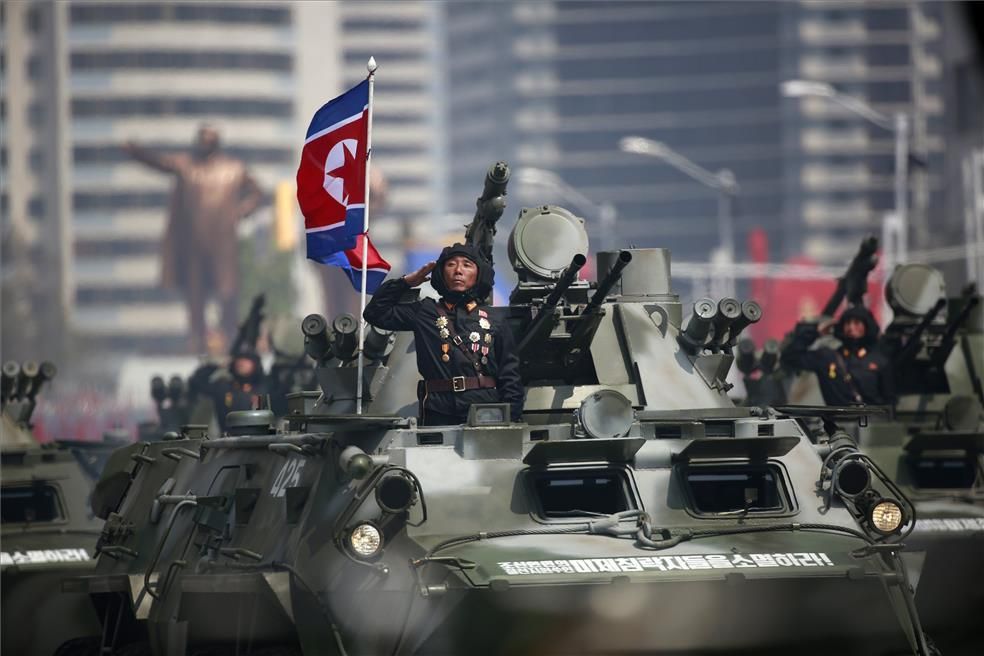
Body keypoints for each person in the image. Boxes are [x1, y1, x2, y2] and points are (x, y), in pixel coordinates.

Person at [124, 124, 263, 352]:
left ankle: (230, 339)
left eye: (208, 139)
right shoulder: (186, 166)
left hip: (223, 246)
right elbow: (159, 162)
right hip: (193, 245)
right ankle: (196, 342)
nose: (203, 143)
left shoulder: (234, 169)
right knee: (195, 297)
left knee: (227, 295)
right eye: (201, 139)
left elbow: (257, 193)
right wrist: (136, 152)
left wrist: (241, 211)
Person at [363, 243, 524, 425]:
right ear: (441, 273)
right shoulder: (425, 312)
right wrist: (407, 282)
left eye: (467, 265)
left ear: (478, 274)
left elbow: (510, 374)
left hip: (484, 410)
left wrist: (512, 418)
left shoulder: (494, 319)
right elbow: (375, 313)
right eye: (451, 264)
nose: (458, 271)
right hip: (439, 409)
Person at [781, 304, 895, 405]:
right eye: (847, 323)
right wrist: (816, 332)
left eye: (857, 323)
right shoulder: (827, 357)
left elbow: (889, 400)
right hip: (839, 423)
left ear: (867, 326)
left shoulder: (880, 360)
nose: (851, 328)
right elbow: (790, 357)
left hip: (873, 424)